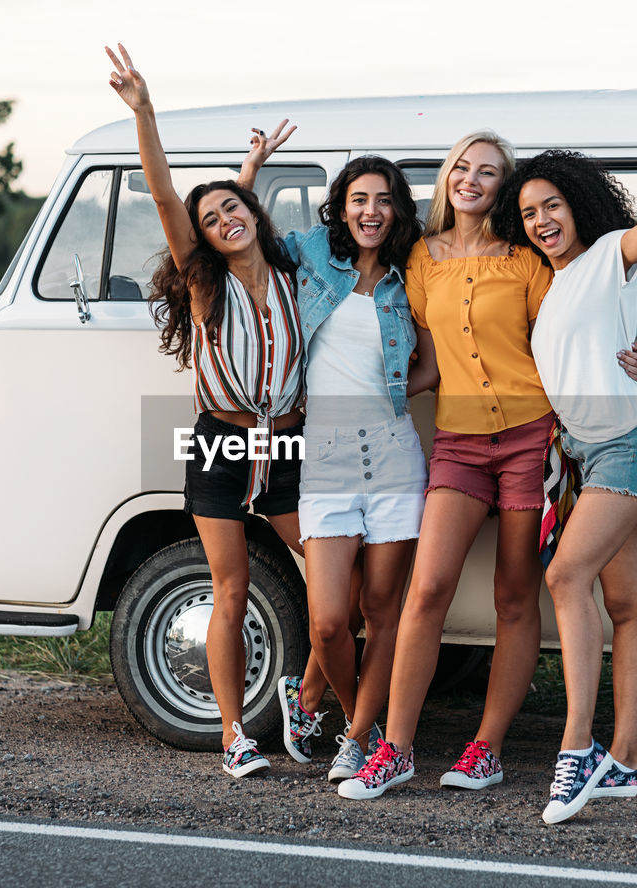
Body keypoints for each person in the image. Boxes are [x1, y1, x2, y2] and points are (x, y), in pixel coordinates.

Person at [338, 132, 637, 800]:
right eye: (463, 168)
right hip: (458, 443)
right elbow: (423, 359)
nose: (471, 179)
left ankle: (488, 749)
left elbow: (577, 326)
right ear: (448, 177)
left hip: (531, 441)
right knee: (427, 591)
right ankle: (395, 748)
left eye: (488, 172)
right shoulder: (421, 261)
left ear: (502, 186)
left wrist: (626, 355)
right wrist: (372, 395)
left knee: (514, 595)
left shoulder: (526, 260)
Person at [498, 63, 637, 824]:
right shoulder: (549, 290)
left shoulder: (609, 255)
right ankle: (629, 763)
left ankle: (577, 747)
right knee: (629, 605)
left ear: (577, 207)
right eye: (531, 212)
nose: (544, 219)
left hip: (632, 445)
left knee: (563, 578)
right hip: (594, 453)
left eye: (553, 205)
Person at [105, 42, 305, 779]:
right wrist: (144, 110)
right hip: (222, 445)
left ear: (253, 211)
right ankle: (233, 734)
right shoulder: (204, 283)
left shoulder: (292, 275)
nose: (223, 220)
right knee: (231, 587)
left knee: (332, 577)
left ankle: (303, 698)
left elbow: (237, 212)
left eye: (234, 207)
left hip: (287, 446)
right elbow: (166, 196)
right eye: (211, 217)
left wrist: (245, 172)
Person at [240, 143, 437, 782]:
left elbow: (431, 367)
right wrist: (249, 173)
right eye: (359, 200)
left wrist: (384, 396)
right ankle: (359, 722)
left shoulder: (415, 276)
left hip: (394, 454)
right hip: (323, 456)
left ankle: (356, 740)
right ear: (341, 208)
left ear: (398, 210)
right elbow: (243, 240)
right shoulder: (312, 254)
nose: (371, 211)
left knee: (382, 613)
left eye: (383, 200)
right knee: (328, 621)